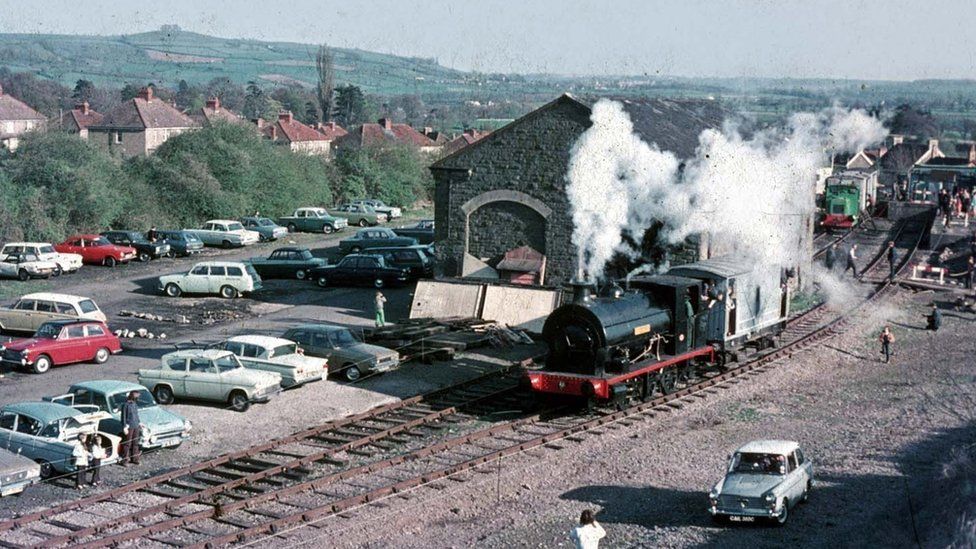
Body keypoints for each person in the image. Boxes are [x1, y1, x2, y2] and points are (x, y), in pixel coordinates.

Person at [120, 391, 142, 466]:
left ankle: (135, 458)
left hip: (136, 426)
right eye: (136, 397)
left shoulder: (135, 404)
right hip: (129, 426)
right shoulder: (125, 405)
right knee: (127, 443)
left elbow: (136, 415)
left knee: (135, 442)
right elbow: (123, 417)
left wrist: (139, 422)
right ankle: (125, 460)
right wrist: (124, 427)